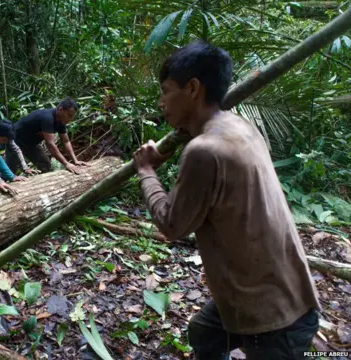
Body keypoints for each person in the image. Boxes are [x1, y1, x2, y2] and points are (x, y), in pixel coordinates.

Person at [133, 41, 320, 359]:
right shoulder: (239, 126)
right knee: (204, 334)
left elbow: (171, 225)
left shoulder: (205, 150)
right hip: (280, 292)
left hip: (272, 320)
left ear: (193, 88)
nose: (162, 102)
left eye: (166, 91)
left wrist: (146, 170)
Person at [8, 98, 88, 174]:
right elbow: (50, 144)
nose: (70, 119)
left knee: (45, 165)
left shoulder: (61, 121)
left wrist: (75, 161)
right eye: (69, 115)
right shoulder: (47, 118)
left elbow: (66, 141)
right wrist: (66, 164)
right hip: (15, 141)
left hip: (31, 144)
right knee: (10, 171)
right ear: (61, 109)